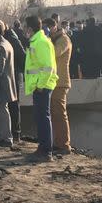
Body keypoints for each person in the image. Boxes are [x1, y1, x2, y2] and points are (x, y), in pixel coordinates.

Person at [24, 15, 59, 162]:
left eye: (26, 28)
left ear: (30, 28)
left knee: (43, 117)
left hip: (42, 86)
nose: (25, 30)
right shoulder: (36, 41)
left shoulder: (41, 42)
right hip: (39, 85)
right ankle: (43, 148)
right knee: (40, 117)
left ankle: (46, 151)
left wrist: (40, 85)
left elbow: (48, 67)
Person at [46, 18, 73, 154]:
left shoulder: (63, 39)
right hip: (53, 81)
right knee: (54, 114)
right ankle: (58, 142)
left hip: (60, 82)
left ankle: (64, 145)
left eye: (47, 28)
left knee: (60, 114)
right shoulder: (53, 39)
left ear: (53, 27)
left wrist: (46, 41)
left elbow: (54, 53)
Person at [4, 23, 27, 142]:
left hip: (14, 74)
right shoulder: (9, 38)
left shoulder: (12, 39)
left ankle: (16, 132)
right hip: (10, 74)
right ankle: (11, 131)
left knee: (13, 103)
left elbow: (22, 57)